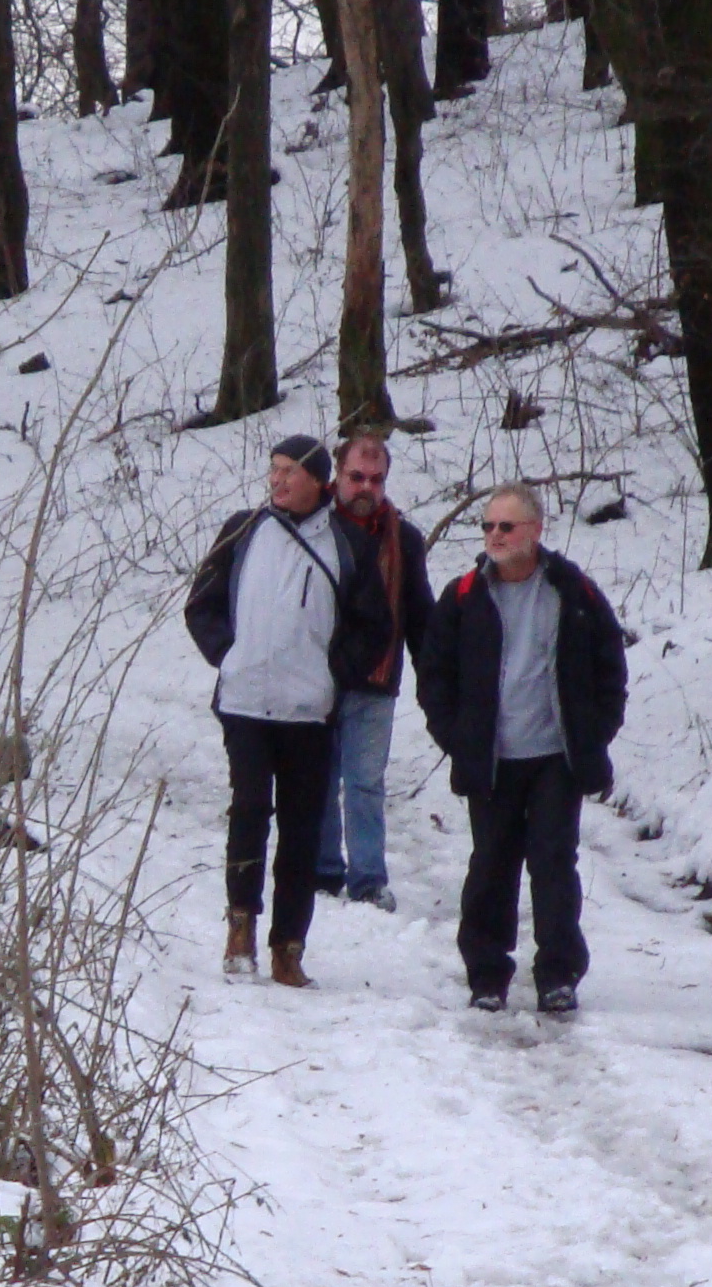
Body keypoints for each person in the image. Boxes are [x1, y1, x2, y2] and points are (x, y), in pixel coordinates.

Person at [413, 483, 627, 1015]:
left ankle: (558, 973)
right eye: (488, 526)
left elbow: (609, 664)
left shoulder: (573, 591)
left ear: (535, 530)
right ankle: (487, 975)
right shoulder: (464, 596)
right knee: (491, 866)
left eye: (506, 526)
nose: (495, 536)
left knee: (553, 864)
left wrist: (594, 731)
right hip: (492, 760)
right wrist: (457, 737)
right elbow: (434, 673)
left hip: (556, 757)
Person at [183, 435, 370, 986]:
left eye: (290, 471)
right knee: (248, 813)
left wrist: (333, 675)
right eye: (274, 469)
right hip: (244, 703)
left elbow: (371, 628)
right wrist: (230, 655)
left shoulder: (347, 544)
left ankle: (289, 947)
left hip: (308, 712)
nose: (278, 480)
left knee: (301, 830)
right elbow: (200, 604)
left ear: (318, 481)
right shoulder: (243, 530)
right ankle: (239, 928)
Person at [314, 433, 434, 911]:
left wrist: (435, 677)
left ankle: (367, 880)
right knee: (319, 779)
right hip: (315, 676)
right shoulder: (312, 528)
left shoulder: (404, 540)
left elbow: (419, 614)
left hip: (375, 681)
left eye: (376, 479)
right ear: (337, 475)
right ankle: (322, 871)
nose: (366, 487)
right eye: (356, 477)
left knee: (365, 783)